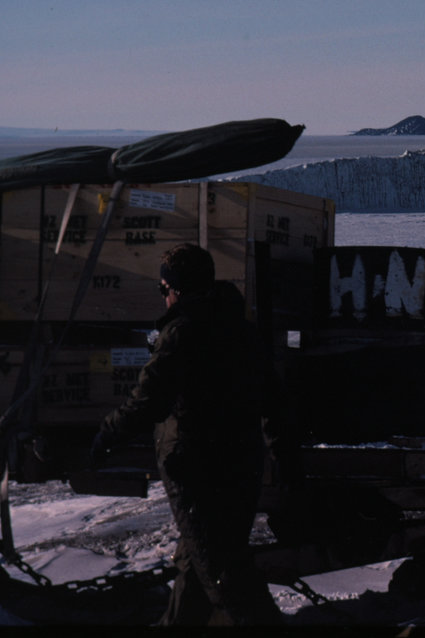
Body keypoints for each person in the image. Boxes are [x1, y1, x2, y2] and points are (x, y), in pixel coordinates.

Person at [90, 243, 294, 626]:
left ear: (176, 290)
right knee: (196, 567)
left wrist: (104, 436)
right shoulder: (243, 332)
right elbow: (275, 401)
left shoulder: (182, 335)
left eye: (163, 288)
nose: (163, 296)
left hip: (197, 471)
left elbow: (147, 402)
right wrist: (283, 457)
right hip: (242, 467)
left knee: (223, 577)